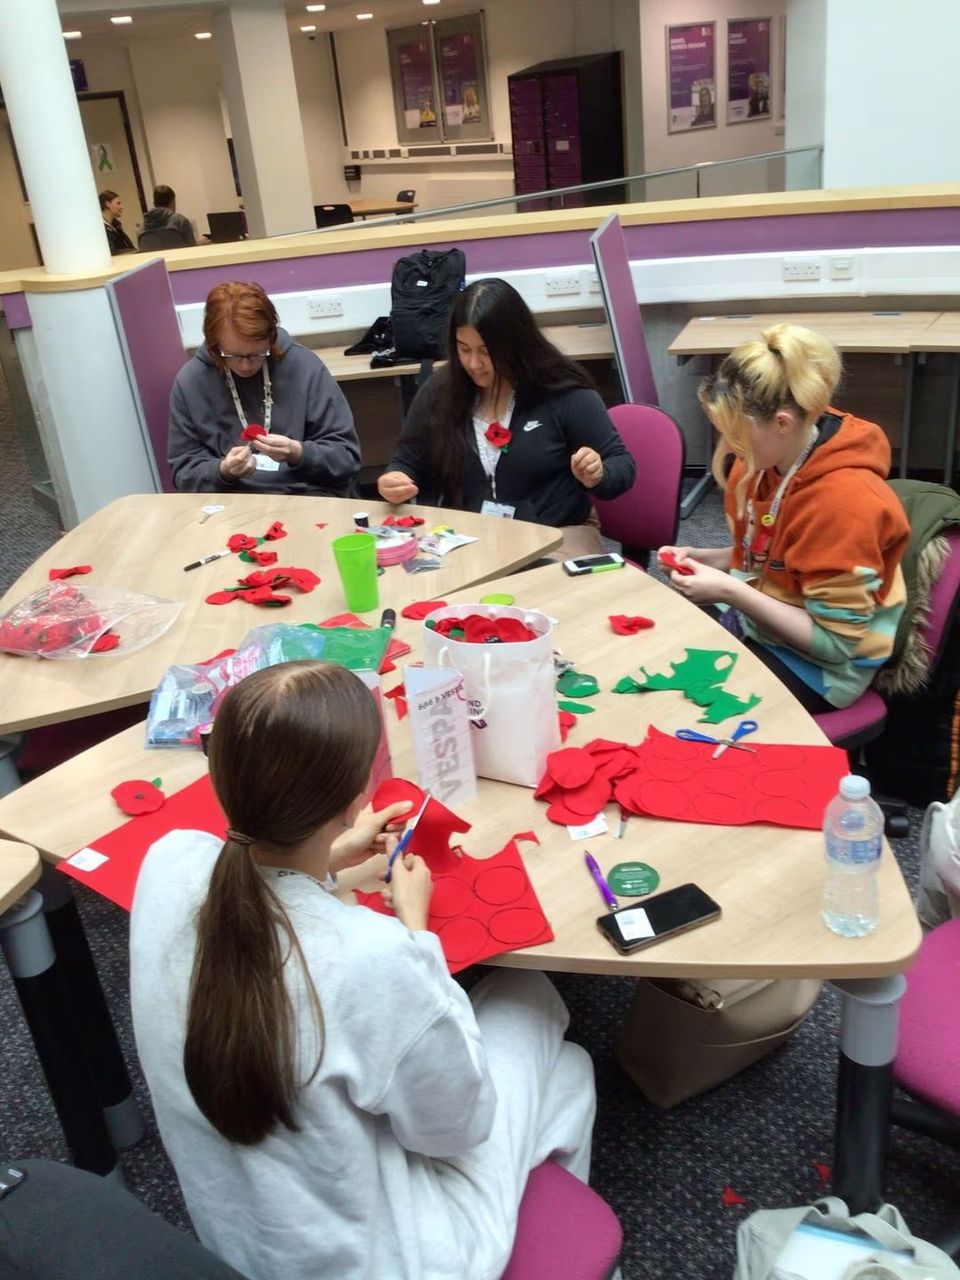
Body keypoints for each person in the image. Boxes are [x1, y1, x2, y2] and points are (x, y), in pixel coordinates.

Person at [129, 661, 596, 1280]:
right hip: (383, 1261)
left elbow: (257, 890)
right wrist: (415, 932)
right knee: (533, 999)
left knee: (561, 1076)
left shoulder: (168, 862)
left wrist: (326, 859)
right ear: (356, 800)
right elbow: (457, 1128)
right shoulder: (370, 957)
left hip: (237, 1236)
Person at [658, 323, 909, 712]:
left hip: (821, 668)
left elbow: (837, 645)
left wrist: (730, 590)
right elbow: (781, 550)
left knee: (685, 701)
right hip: (765, 620)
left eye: (738, 435)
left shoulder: (844, 504)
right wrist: (717, 559)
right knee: (662, 645)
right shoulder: (769, 457)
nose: (732, 450)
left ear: (782, 423)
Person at [378, 277, 636, 557]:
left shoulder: (564, 393)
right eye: (464, 349)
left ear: (516, 344)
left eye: (487, 352)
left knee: (537, 586)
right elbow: (408, 459)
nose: (474, 364)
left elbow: (622, 466)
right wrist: (394, 478)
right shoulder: (441, 391)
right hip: (472, 534)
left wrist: (597, 474)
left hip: (557, 532)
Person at [168, 280, 361, 495]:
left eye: (256, 354)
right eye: (233, 355)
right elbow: (184, 473)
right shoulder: (191, 381)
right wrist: (222, 471)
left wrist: (298, 452)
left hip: (308, 493)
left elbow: (347, 457)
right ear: (215, 345)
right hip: (234, 502)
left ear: (271, 338)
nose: (246, 365)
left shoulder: (304, 366)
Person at [138, 184, 196, 249]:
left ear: (154, 203)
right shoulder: (180, 221)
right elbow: (192, 249)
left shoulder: (142, 228)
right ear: (173, 202)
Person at [99, 190, 135, 255]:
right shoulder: (100, 229)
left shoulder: (116, 225)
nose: (122, 207)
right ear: (108, 204)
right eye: (118, 203)